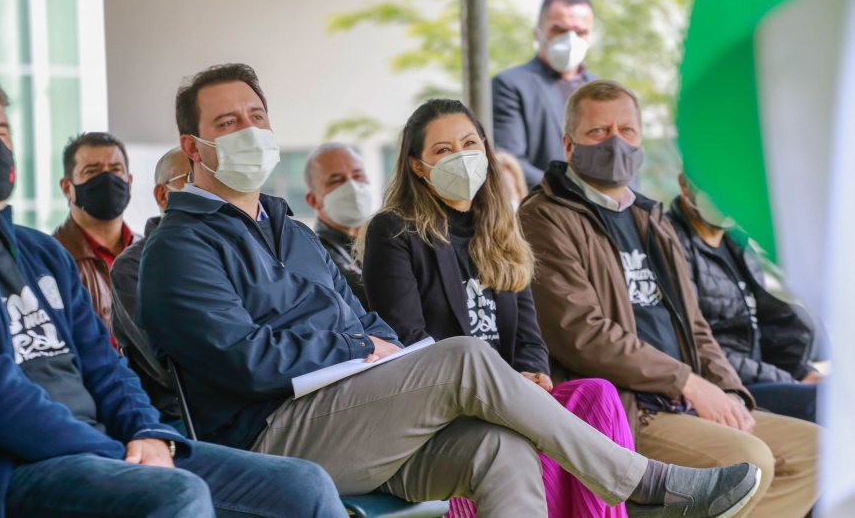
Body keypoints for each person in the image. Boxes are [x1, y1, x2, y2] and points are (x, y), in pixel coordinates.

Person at [139, 62, 764, 518]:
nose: (249, 130)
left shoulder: (289, 229)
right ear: (195, 147)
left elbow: (370, 325)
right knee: (464, 355)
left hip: (355, 419)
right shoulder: (179, 245)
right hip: (268, 442)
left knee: (501, 450)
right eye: (228, 122)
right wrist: (349, 350)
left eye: (256, 116)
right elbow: (243, 360)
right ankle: (641, 484)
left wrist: (358, 345)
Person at [0, 65, 348, 518]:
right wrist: (115, 451)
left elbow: (105, 364)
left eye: (0, 130)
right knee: (174, 495)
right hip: (8, 467)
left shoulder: (39, 254)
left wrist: (148, 434)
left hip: (108, 446)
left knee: (301, 484)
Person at [518, 79, 820, 518]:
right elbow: (580, 333)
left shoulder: (650, 218)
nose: (615, 142)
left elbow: (696, 326)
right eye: (598, 133)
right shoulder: (544, 218)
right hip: (629, 410)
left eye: (627, 131)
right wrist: (688, 382)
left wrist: (728, 392)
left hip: (687, 398)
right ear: (569, 145)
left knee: (822, 451)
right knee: (750, 461)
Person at [361, 98, 636, 518]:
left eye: (470, 143)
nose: (461, 157)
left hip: (517, 400)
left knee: (596, 394)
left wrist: (535, 374)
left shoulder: (502, 230)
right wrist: (505, 396)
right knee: (515, 441)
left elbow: (529, 336)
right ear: (418, 165)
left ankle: (624, 494)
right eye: (443, 150)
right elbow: (409, 343)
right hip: (449, 414)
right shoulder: (395, 230)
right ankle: (638, 485)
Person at [665, 175, 820, 422]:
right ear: (685, 184)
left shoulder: (739, 243)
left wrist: (802, 372)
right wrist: (790, 381)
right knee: (823, 402)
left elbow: (764, 323)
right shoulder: (670, 243)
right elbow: (695, 344)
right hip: (726, 388)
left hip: (760, 377)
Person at [110, 146, 191, 428]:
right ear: (163, 195)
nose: (210, 191)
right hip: (183, 420)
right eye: (193, 178)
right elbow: (172, 370)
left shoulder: (234, 252)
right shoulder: (133, 267)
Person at [493, 0, 598, 188]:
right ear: (537, 33)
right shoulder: (510, 85)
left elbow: (622, 156)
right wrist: (574, 196)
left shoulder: (602, 92)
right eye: (559, 30)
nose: (570, 40)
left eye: (580, 32)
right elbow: (510, 162)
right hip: (539, 211)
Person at [53, 132, 138, 345]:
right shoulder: (49, 259)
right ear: (67, 188)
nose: (107, 178)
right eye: (92, 171)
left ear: (129, 181)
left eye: (115, 170)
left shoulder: (150, 252)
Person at [304, 142, 375, 309]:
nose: (353, 188)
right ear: (314, 200)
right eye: (336, 181)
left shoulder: (388, 239)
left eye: (358, 176)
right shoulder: (316, 255)